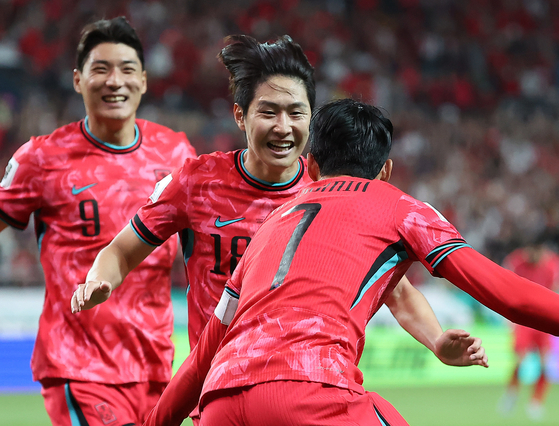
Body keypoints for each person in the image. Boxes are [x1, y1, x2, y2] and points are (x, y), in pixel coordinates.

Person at [72, 36, 488, 424]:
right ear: (241, 115)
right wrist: (99, 280)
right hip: (223, 391)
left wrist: (436, 340)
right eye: (268, 112)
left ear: (312, 118)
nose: (284, 127)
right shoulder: (196, 182)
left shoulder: (333, 192)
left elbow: (395, 290)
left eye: (296, 113)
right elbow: (121, 251)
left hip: (311, 391)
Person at [139, 98, 559, 426]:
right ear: (387, 170)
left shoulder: (269, 228)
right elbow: (505, 293)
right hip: (310, 394)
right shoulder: (400, 207)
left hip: (220, 405)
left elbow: (201, 359)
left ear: (314, 166)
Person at [0, 16, 196, 426]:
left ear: (143, 80)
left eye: (126, 70)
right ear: (77, 80)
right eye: (100, 69)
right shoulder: (42, 158)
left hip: (156, 366)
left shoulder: (177, 154)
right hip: (78, 365)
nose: (114, 81)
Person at [497, 235, 559, 420]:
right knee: (520, 360)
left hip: (543, 319)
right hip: (523, 319)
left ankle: (536, 402)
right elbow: (505, 286)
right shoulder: (516, 261)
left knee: (544, 363)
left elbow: (555, 289)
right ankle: (512, 393)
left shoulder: (552, 264)